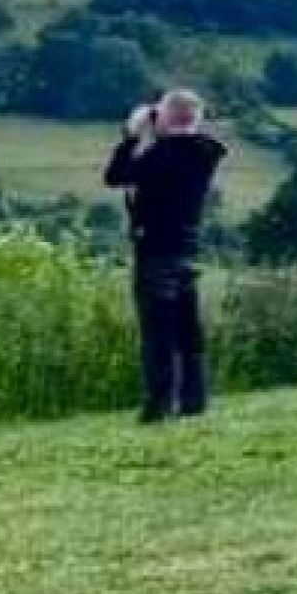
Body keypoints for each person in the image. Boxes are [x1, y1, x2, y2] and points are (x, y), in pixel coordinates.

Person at [104, 89, 225, 422]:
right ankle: (194, 400)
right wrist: (174, 119)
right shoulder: (207, 153)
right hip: (188, 250)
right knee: (189, 333)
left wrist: (131, 135)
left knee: (158, 335)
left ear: (167, 119)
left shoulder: (160, 157)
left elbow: (114, 176)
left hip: (155, 253)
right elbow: (195, 134)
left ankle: (159, 405)